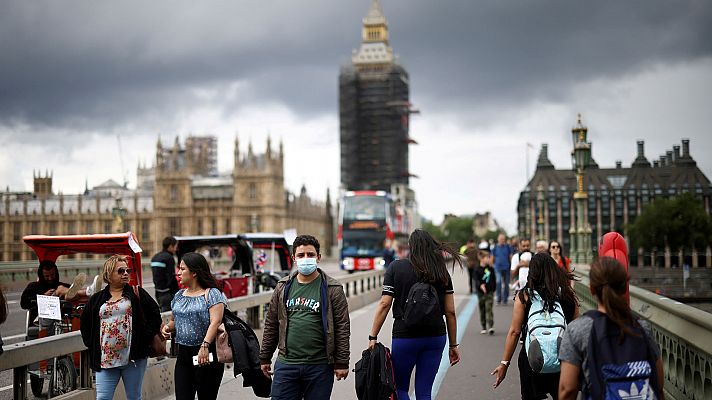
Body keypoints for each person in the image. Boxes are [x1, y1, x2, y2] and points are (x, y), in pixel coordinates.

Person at [368, 229, 461, 400]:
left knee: (400, 388)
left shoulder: (396, 267)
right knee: (424, 392)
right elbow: (450, 312)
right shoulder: (441, 272)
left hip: (405, 337)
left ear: (411, 247)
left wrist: (373, 335)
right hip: (435, 337)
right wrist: (453, 345)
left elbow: (384, 304)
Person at [558, 257, 664, 400]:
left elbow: (568, 389)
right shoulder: (642, 327)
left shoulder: (578, 329)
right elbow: (658, 383)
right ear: (624, 287)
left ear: (591, 289)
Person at [259, 234, 350, 400]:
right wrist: (265, 357)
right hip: (287, 365)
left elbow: (342, 327)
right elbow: (271, 323)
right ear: (294, 258)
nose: (305, 259)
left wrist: (342, 362)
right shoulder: (283, 287)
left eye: (310, 255)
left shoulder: (333, 288)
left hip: (320, 366)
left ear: (318, 258)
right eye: (301, 255)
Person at [492, 253, 579, 400]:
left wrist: (504, 364)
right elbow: (577, 331)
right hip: (563, 360)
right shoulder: (568, 295)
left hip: (532, 359)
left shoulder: (524, 296)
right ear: (554, 270)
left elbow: (514, 332)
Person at [80, 255, 162, 400]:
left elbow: (155, 315)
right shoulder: (97, 299)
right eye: (120, 271)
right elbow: (85, 323)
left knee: (134, 397)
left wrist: (144, 338)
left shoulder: (137, 293)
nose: (125, 273)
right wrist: (91, 344)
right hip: (105, 360)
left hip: (133, 359)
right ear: (108, 274)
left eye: (127, 270)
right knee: (103, 397)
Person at [160, 252, 227, 400]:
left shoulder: (212, 294)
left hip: (206, 354)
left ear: (194, 272)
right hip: (183, 355)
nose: (178, 273)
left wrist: (204, 346)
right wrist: (167, 328)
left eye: (182, 269)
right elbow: (175, 321)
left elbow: (215, 321)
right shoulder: (179, 295)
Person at [21, 260, 99, 329]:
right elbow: (24, 303)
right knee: (60, 290)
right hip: (42, 318)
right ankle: (89, 291)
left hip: (63, 318)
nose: (50, 278)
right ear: (41, 276)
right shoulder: (33, 286)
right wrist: (43, 296)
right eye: (47, 276)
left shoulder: (61, 284)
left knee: (70, 294)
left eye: (52, 275)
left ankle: (90, 293)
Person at [151, 236, 179, 312]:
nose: (176, 249)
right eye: (175, 246)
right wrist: (177, 292)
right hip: (167, 294)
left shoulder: (155, 257)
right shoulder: (169, 258)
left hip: (158, 292)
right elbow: (171, 277)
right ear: (170, 246)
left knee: (162, 313)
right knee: (169, 316)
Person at [474, 243, 496, 334]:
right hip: (480, 293)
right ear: (482, 259)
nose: (489, 259)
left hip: (489, 291)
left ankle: (490, 326)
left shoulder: (491, 269)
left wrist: (494, 288)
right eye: (487, 257)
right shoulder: (477, 269)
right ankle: (483, 326)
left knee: (489, 308)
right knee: (482, 308)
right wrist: (480, 285)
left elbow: (493, 279)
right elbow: (476, 280)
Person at [492, 234, 514, 305]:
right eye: (501, 239)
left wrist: (512, 267)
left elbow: (510, 257)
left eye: (503, 239)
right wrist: (492, 266)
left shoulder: (508, 247)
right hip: (497, 268)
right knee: (498, 282)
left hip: (506, 268)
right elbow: (492, 257)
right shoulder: (495, 248)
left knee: (506, 284)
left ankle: (505, 299)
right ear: (498, 239)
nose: (502, 240)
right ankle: (498, 298)